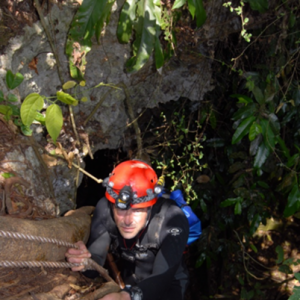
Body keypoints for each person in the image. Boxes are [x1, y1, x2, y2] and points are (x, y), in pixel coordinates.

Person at [65, 159, 189, 300]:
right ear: (112, 205)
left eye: (137, 211)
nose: (128, 220)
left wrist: (125, 297)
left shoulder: (172, 218)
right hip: (130, 280)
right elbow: (96, 262)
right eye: (120, 209)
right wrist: (84, 261)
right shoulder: (105, 210)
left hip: (168, 286)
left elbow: (162, 277)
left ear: (150, 207)